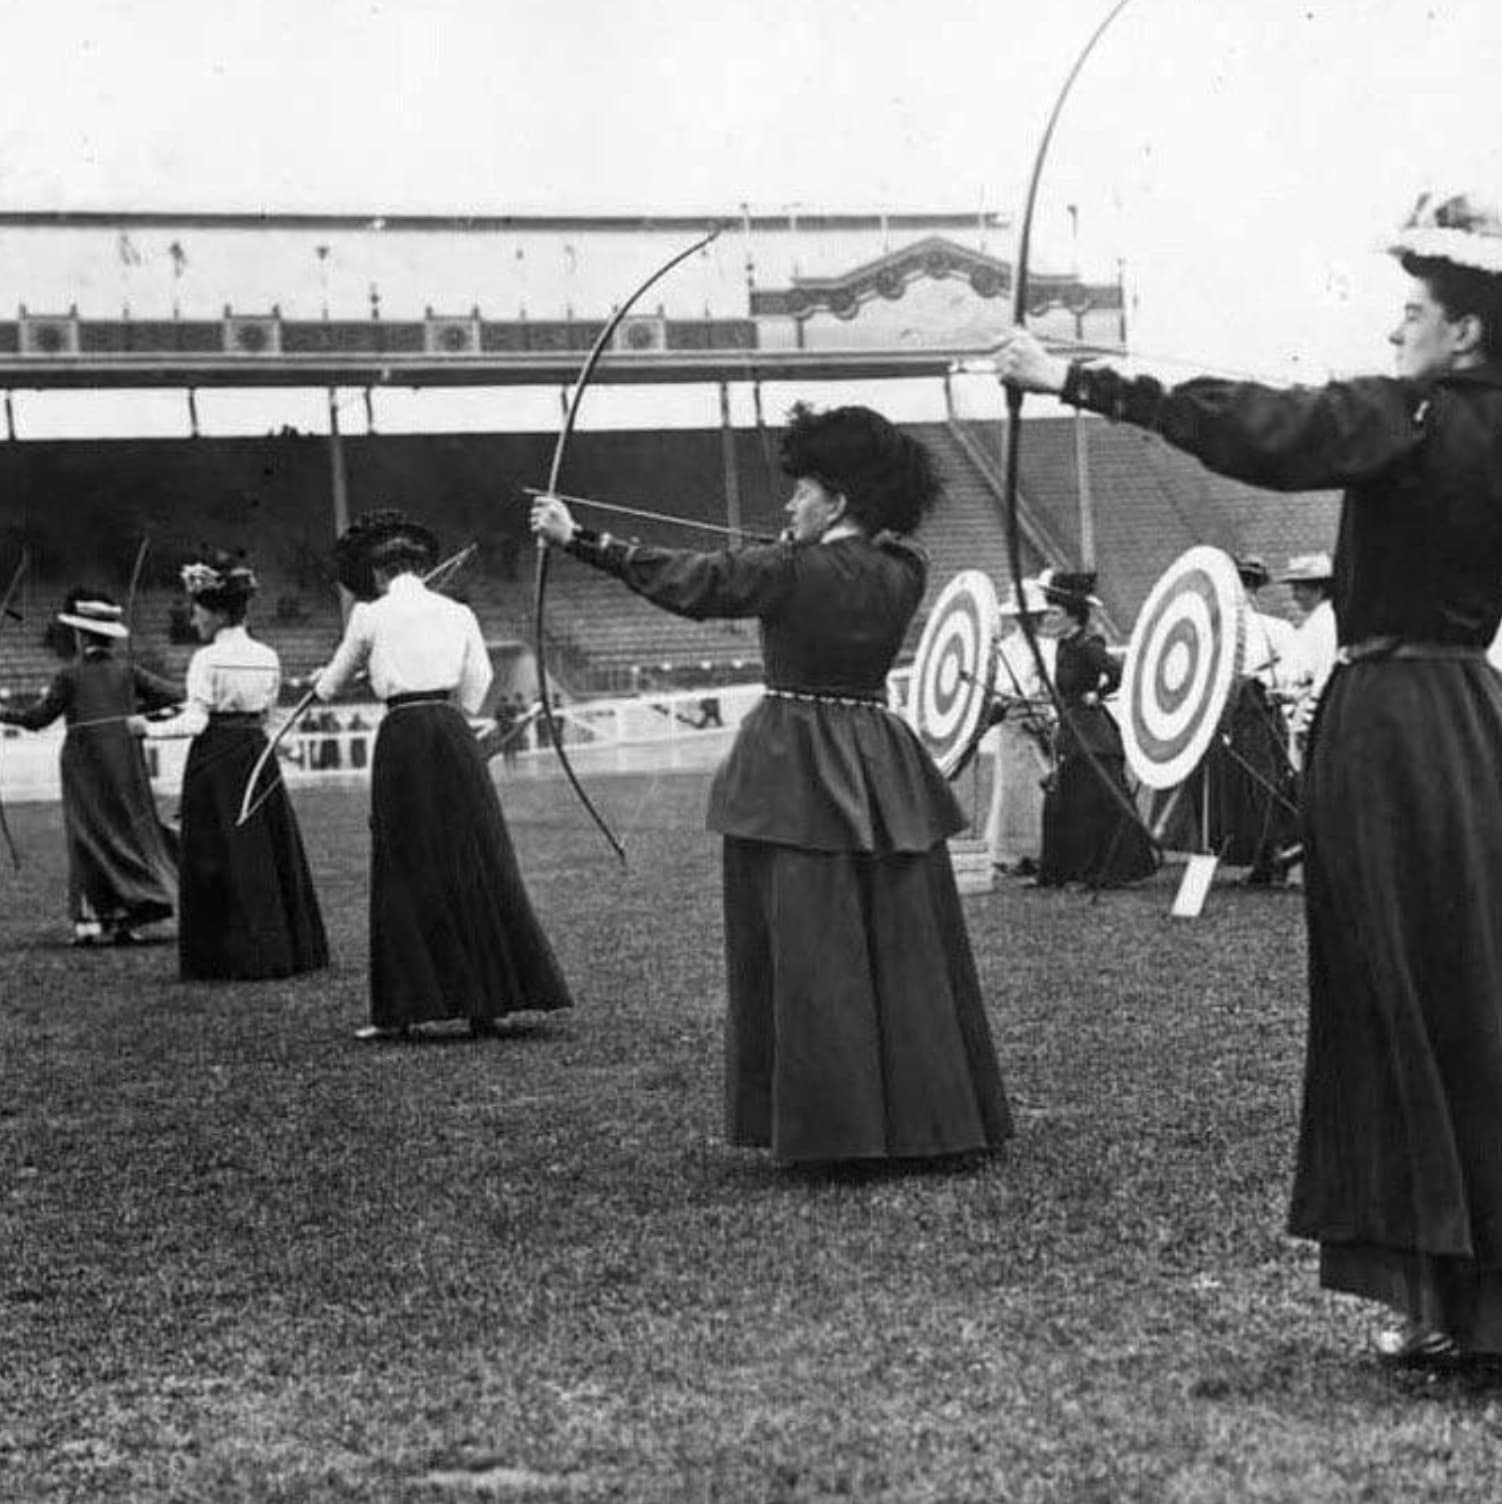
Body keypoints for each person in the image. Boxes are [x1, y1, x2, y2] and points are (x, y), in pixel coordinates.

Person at [994, 188, 1502, 1365]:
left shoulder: (1414, 414)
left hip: (1389, 724)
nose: (1393, 334)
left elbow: (1264, 428)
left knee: (1401, 993)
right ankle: (1468, 1299)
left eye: (1412, 312)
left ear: (1465, 332)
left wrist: (1075, 376)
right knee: (1471, 983)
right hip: (1470, 721)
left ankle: (1455, 1309)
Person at [531, 403, 1012, 1166]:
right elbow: (788, 567)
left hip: (797, 760)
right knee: (898, 938)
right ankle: (930, 1119)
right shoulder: (905, 570)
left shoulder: (789, 569)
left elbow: (696, 582)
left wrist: (578, 539)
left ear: (840, 500)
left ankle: (836, 1131)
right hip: (878, 753)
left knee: (811, 945)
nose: (790, 505)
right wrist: (791, 545)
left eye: (803, 491)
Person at [314, 508, 572, 1041]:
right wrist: (439, 692)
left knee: (405, 860)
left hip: (404, 734)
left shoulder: (369, 615)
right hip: (452, 733)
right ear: (419, 567)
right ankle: (489, 1003)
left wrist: (357, 672)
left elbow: (330, 688)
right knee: (472, 855)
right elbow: (477, 682)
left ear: (380, 575)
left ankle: (404, 1011)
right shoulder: (457, 612)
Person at [134, 556, 327, 981]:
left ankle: (225, 956)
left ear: (219, 612)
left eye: (199, 609)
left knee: (216, 856)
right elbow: (267, 717)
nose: (194, 617)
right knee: (260, 851)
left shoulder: (207, 658)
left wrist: (144, 727)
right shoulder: (268, 655)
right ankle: (279, 947)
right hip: (257, 756)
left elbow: (196, 721)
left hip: (216, 761)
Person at [0, 590, 178, 945]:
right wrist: (133, 703)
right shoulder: (128, 671)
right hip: (125, 764)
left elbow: (38, 719)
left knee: (86, 836)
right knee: (125, 831)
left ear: (81, 636)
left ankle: (90, 923)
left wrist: (2, 713)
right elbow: (173, 695)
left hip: (84, 766)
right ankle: (127, 919)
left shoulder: (70, 675)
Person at [1034, 571, 1158, 889]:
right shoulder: (1064, 645)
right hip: (1071, 730)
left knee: (1091, 805)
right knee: (1065, 801)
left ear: (1073, 615)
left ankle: (1100, 871)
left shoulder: (1089, 644)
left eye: (1055, 612)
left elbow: (1119, 673)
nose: (1048, 617)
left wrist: (1098, 694)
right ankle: (1061, 872)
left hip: (1092, 735)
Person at [984, 576, 1056, 876]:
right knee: (1014, 787)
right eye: (1028, 617)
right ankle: (1012, 853)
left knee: (1045, 785)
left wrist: (1047, 709)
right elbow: (998, 686)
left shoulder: (1051, 647)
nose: (1034, 621)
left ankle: (1043, 851)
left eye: (1038, 616)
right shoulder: (1004, 650)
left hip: (1043, 722)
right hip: (1015, 723)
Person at [1281, 552, 1338, 765]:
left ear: (1319, 589)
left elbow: (1324, 675)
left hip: (1313, 718)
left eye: (1298, 588)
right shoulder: (1316, 621)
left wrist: (1307, 725)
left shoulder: (1326, 622)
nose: (1294, 596)